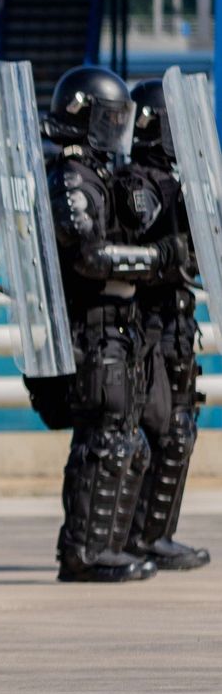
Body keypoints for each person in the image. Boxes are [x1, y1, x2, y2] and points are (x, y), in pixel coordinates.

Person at [28, 65, 179, 582]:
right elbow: (89, 254)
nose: (118, 130)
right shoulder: (71, 176)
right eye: (109, 119)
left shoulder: (104, 174)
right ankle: (83, 552)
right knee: (102, 440)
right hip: (90, 324)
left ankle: (108, 545)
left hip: (120, 325)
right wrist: (158, 258)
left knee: (124, 441)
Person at [121, 79, 209, 571]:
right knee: (154, 430)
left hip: (177, 323)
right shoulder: (136, 181)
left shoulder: (181, 182)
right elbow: (145, 235)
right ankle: (136, 536)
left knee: (180, 430)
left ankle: (159, 534)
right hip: (150, 323)